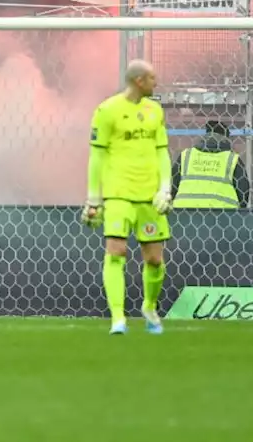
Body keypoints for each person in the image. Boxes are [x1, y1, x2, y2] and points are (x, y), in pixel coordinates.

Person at [82, 60, 171, 335]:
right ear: (139, 81)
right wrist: (93, 198)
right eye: (152, 78)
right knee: (116, 252)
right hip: (118, 194)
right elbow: (96, 156)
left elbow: (161, 152)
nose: (157, 83)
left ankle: (149, 306)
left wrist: (165, 187)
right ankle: (117, 317)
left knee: (155, 259)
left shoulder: (155, 111)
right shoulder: (107, 111)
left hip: (149, 197)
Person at [170, 120, 250, 209]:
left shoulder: (186, 156)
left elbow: (172, 186)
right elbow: (243, 192)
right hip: (223, 216)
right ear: (226, 138)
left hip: (184, 214)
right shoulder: (232, 159)